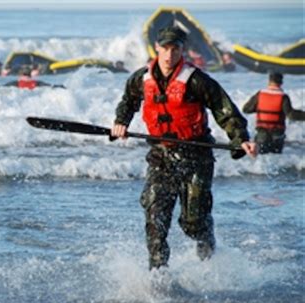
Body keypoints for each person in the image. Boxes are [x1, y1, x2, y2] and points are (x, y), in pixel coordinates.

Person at [110, 26, 257, 270]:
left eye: (175, 49)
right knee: (155, 219)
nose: (169, 54)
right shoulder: (140, 78)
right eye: (165, 48)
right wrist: (120, 123)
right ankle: (158, 277)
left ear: (182, 50)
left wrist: (240, 138)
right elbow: (128, 102)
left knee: (192, 223)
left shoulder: (197, 80)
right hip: (160, 157)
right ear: (156, 47)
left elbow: (224, 110)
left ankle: (207, 247)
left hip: (196, 158)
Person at [242, 72, 304, 154]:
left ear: (269, 81)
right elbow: (291, 115)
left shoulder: (260, 94)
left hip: (262, 134)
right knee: (276, 158)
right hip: (277, 134)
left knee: (260, 156)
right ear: (281, 83)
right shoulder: (283, 97)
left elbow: (246, 109)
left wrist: (261, 109)